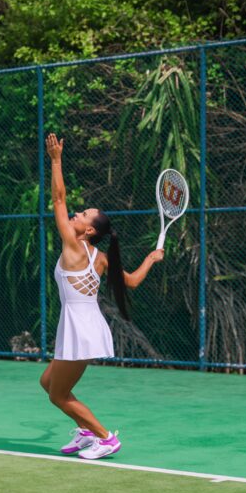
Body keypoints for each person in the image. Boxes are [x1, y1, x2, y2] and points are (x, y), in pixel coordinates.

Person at [40, 133, 164, 460]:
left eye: (83, 215)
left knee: (58, 395)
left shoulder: (73, 244)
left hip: (80, 329)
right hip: (85, 325)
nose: (76, 214)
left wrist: (56, 160)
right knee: (48, 382)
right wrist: (151, 259)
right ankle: (85, 432)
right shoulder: (100, 256)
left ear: (88, 230)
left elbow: (58, 199)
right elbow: (133, 282)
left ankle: (105, 437)